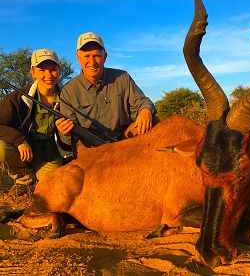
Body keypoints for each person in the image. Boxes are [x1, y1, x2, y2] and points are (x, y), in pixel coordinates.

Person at [56, 32, 157, 145]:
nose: (92, 62)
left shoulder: (122, 77)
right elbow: (68, 140)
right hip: (91, 148)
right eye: (86, 56)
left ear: (105, 56)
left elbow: (143, 102)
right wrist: (65, 132)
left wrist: (145, 110)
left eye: (97, 55)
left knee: (153, 120)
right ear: (78, 57)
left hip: (123, 139)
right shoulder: (68, 91)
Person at [0, 49, 71, 196]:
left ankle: (37, 181)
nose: (48, 75)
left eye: (53, 70)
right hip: (25, 154)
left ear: (59, 70)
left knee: (53, 188)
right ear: (33, 72)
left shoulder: (69, 97)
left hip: (52, 157)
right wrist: (19, 140)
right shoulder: (17, 97)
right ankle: (24, 180)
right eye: (42, 70)